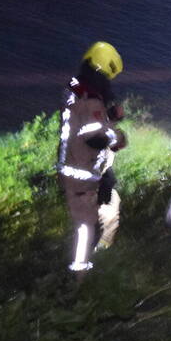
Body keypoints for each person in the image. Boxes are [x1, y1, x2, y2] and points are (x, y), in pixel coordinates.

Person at [56, 41, 128, 274]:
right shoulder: (90, 97)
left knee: (109, 208)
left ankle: (98, 257)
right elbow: (93, 136)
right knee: (86, 227)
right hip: (81, 172)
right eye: (108, 76)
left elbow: (86, 124)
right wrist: (117, 137)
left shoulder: (78, 92)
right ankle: (80, 276)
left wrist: (109, 117)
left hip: (81, 168)